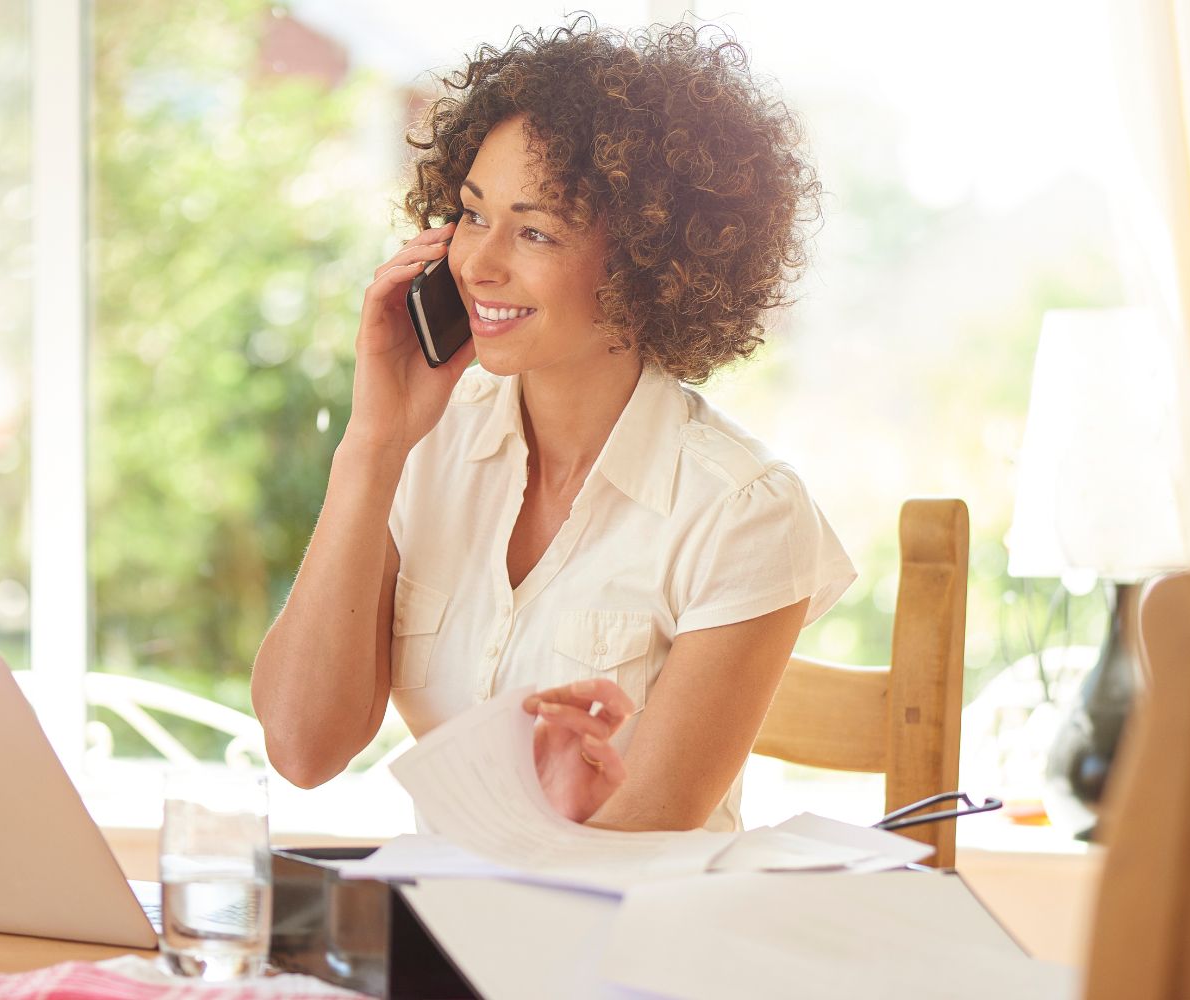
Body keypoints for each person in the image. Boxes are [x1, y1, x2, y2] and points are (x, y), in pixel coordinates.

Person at [251, 19, 856, 833]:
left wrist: (545, 806)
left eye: (534, 231)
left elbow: (648, 829)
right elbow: (302, 748)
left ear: (646, 261)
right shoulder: (426, 446)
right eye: (472, 216)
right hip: (441, 908)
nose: (478, 264)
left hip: (631, 914)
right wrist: (373, 445)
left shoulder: (745, 511)